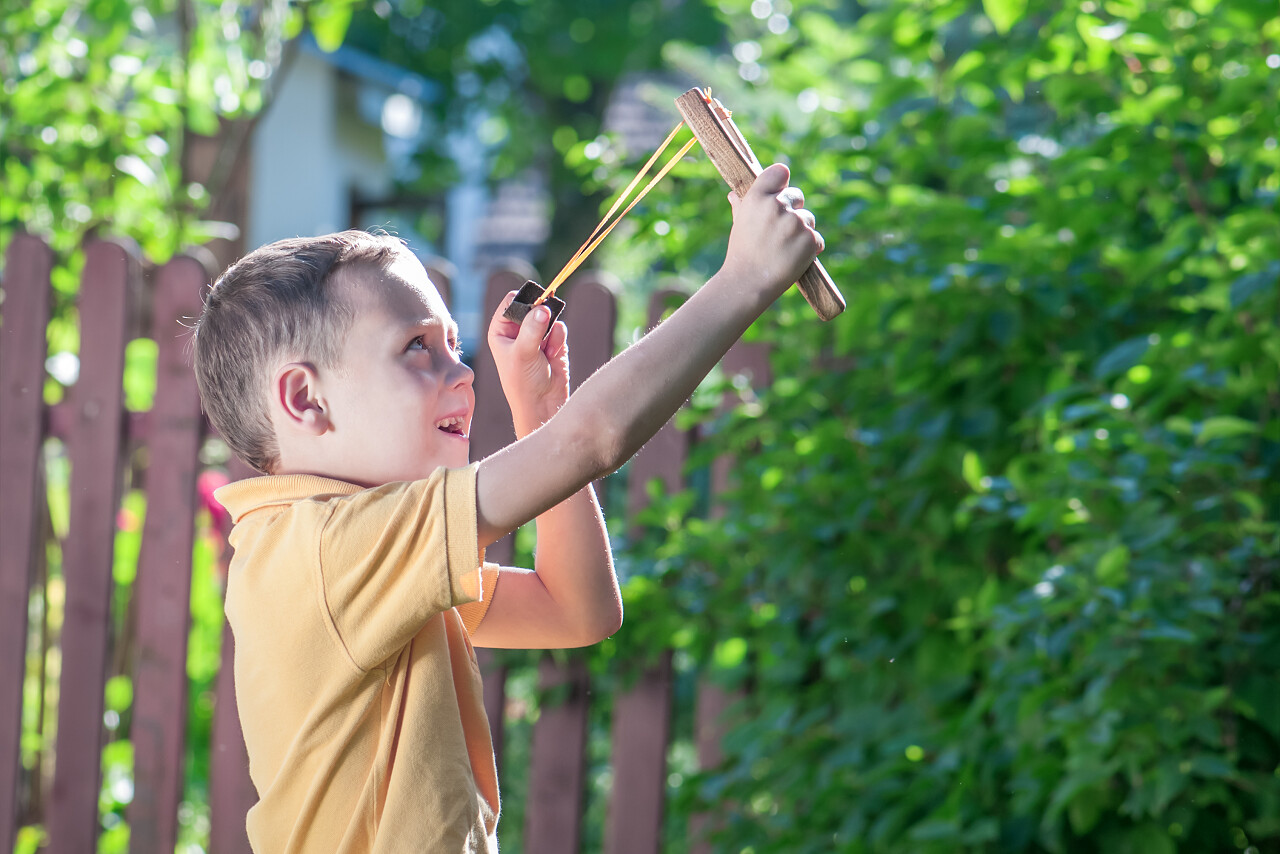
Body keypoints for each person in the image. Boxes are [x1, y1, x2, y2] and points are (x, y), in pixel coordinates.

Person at [192, 162, 823, 853]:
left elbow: (576, 610)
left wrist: (540, 411)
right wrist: (743, 281)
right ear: (306, 401)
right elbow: (596, 439)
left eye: (452, 345)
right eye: (416, 348)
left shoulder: (343, 545)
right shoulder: (329, 545)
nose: (461, 373)